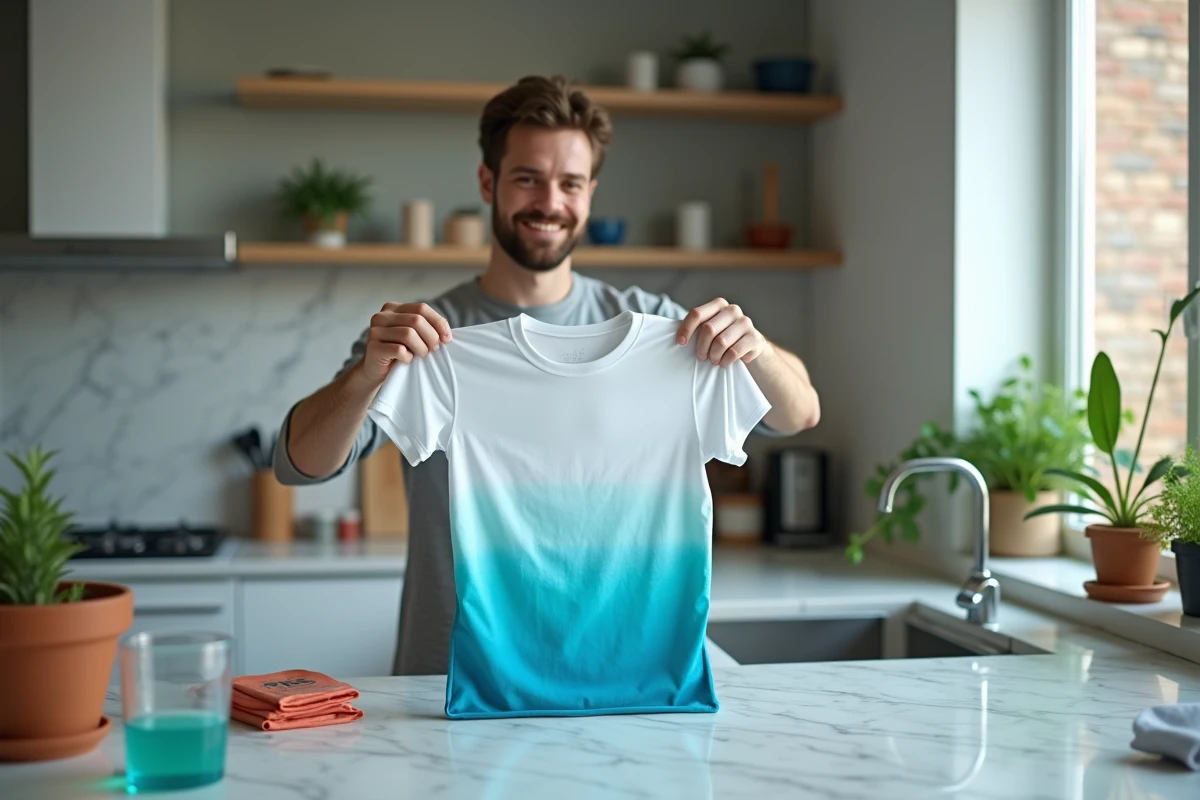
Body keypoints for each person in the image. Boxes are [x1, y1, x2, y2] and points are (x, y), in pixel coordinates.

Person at [273, 75, 821, 676]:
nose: (550, 203)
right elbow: (298, 463)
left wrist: (756, 348)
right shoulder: (424, 337)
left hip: (614, 673)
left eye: (570, 183)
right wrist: (365, 376)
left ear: (591, 194)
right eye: (528, 178)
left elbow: (797, 414)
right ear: (489, 183)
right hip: (450, 678)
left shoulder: (661, 330)